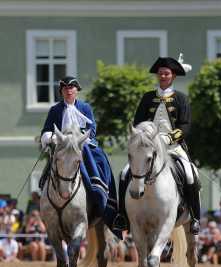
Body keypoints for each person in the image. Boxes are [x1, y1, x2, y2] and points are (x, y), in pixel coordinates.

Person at [114, 55, 201, 235]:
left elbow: (185, 126)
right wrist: (144, 138)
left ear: (173, 76)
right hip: (148, 147)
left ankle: (194, 217)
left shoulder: (181, 99)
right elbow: (138, 122)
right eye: (161, 73)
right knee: (124, 174)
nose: (163, 76)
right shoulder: (147, 97)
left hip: (172, 147)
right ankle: (122, 216)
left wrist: (168, 138)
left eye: (166, 74)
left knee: (190, 174)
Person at [39, 76, 121, 239]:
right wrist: (52, 138)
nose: (69, 91)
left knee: (99, 160)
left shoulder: (85, 107)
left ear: (76, 90)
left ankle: (103, 197)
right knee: (46, 175)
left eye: (72, 88)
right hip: (62, 149)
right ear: (61, 91)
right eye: (65, 88)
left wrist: (79, 138)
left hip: (82, 147)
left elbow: (92, 129)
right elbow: (46, 131)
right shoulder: (55, 110)